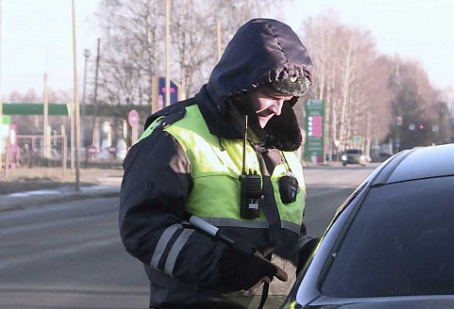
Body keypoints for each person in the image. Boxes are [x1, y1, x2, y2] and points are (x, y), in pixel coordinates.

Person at [119, 18, 318, 309]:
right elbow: (143, 227)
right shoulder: (175, 134)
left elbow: (285, 234)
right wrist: (223, 265)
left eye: (287, 98)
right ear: (240, 85)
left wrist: (315, 253)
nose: (278, 108)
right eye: (270, 96)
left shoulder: (282, 146)